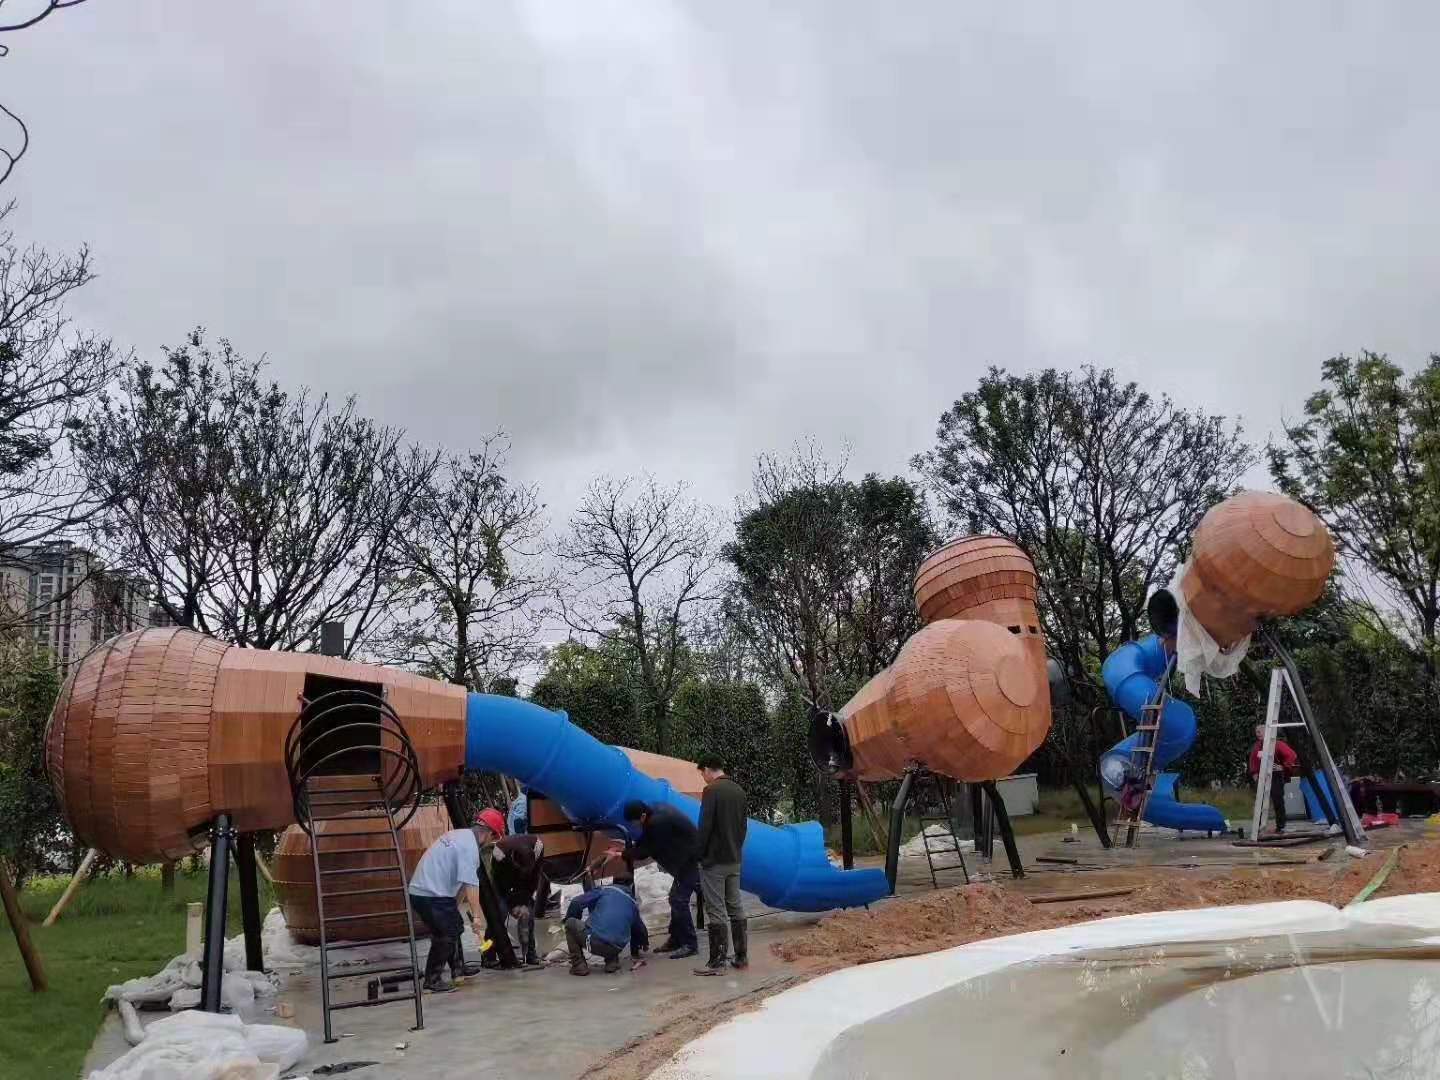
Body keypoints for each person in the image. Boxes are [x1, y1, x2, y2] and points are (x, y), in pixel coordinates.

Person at [408, 812, 499, 993]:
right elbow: (471, 885)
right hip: (429, 893)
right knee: (446, 933)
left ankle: (458, 970)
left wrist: (454, 906)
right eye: (493, 837)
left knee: (454, 925)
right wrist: (477, 918)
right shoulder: (469, 848)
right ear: (488, 833)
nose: (490, 842)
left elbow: (461, 885)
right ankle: (432, 980)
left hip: (431, 891)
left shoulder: (461, 836)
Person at [621, 800, 702, 959]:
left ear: (643, 815)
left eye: (635, 822)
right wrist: (629, 850)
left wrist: (625, 854)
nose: (635, 825)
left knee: (679, 900)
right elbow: (646, 839)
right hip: (685, 859)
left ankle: (690, 944)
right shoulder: (655, 815)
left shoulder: (658, 822)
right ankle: (677, 939)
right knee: (675, 899)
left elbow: (649, 849)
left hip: (690, 861)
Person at [692, 753, 748, 976]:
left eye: (702, 773)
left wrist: (699, 854)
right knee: (735, 906)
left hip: (714, 861)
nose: (703, 778)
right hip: (734, 859)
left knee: (716, 910)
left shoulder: (712, 791)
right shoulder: (738, 790)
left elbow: (705, 827)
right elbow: (743, 827)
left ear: (707, 769)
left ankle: (717, 962)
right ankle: (741, 957)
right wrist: (735, 848)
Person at [563, 874, 649, 975]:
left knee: (570, 923)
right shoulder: (632, 904)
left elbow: (576, 902)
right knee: (613, 929)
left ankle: (578, 965)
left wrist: (574, 922)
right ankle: (612, 963)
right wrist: (643, 944)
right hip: (616, 947)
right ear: (631, 886)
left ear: (614, 882)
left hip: (595, 941)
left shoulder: (604, 890)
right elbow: (639, 929)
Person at [489, 832, 546, 968]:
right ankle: (488, 955)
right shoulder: (500, 852)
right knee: (498, 915)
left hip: (525, 885)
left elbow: (535, 878)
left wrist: (524, 902)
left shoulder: (538, 846)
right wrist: (511, 903)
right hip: (503, 883)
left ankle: (530, 955)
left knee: (528, 916)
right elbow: (497, 881)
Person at [1249, 724, 1299, 833]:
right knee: (1259, 801)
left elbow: (1292, 755)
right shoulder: (1256, 746)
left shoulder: (1277, 744)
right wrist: (1254, 773)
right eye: (1256, 732)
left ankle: (1281, 826)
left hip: (1276, 775)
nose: (1257, 734)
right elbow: (1253, 761)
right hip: (1262, 777)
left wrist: (1284, 766)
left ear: (1266, 732)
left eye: (1260, 731)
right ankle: (1257, 827)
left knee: (1278, 801)